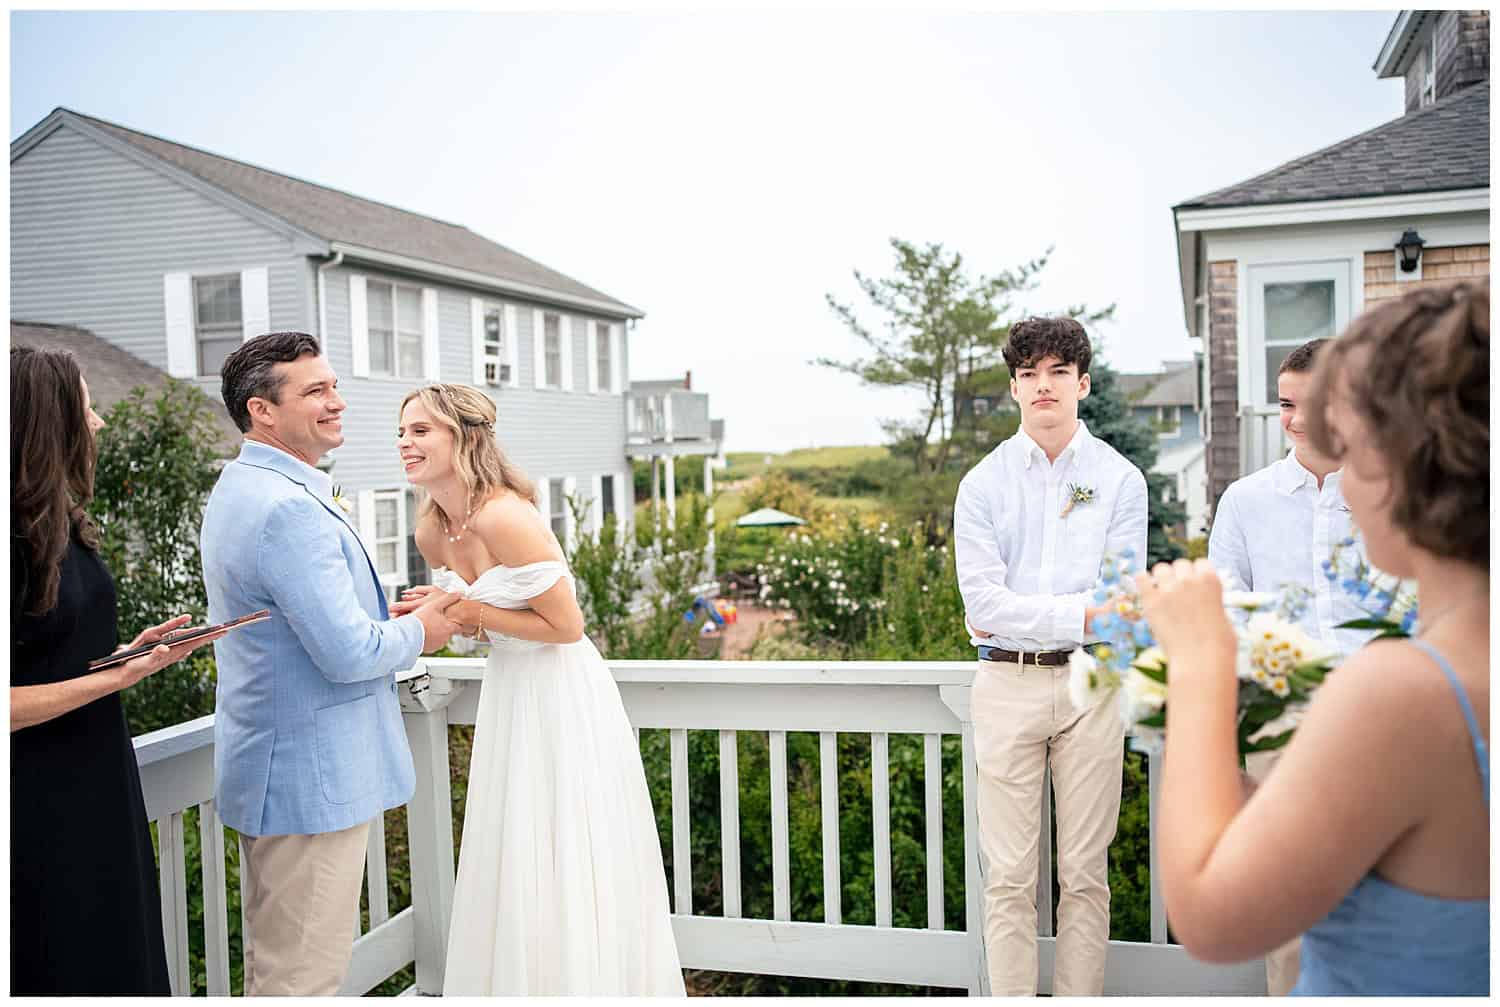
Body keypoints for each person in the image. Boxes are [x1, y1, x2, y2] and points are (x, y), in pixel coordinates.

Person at [1138, 279, 1488, 996]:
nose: (1344, 487)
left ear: (1410, 462)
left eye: (1354, 446)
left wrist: (1198, 666)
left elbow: (1209, 918)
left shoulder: (1405, 690)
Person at [391, 383, 685, 995]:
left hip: (562, 693)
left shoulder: (505, 515)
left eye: (421, 430)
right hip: (509, 690)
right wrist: (436, 612)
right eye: (403, 431)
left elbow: (565, 626)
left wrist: (466, 609)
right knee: (514, 847)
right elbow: (469, 626)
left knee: (569, 843)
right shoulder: (430, 531)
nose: (405, 442)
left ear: (463, 437)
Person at [199, 332, 459, 996]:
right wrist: (423, 632)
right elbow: (347, 655)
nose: (337, 402)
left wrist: (383, 627)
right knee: (302, 981)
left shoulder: (243, 484)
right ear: (262, 410)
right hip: (306, 782)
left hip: (278, 772)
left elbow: (309, 629)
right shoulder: (286, 507)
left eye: (334, 385)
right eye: (316, 390)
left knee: (281, 967)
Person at [11, 346, 226, 994]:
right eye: (87, 405)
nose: (100, 423)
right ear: (51, 422)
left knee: (118, 949)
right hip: (37, 799)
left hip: (100, 774)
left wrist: (131, 652)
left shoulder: (60, 525)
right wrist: (115, 679)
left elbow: (54, 651)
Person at [953, 317, 1148, 996]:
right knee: (1007, 877)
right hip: (1004, 682)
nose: (1044, 385)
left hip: (1093, 683)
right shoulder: (981, 485)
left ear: (1082, 383)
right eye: (1030, 373)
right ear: (1013, 387)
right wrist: (1080, 612)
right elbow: (984, 608)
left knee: (1085, 875)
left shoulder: (1119, 482)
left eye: (1058, 371)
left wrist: (1085, 616)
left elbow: (1122, 601)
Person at [1207, 337, 1377, 994]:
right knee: (1288, 907)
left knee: (1374, 893)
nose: (1297, 420)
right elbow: (1226, 615)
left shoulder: (1385, 493)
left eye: (1314, 404)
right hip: (1279, 726)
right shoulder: (1245, 502)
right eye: (1285, 404)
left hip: (1374, 720)